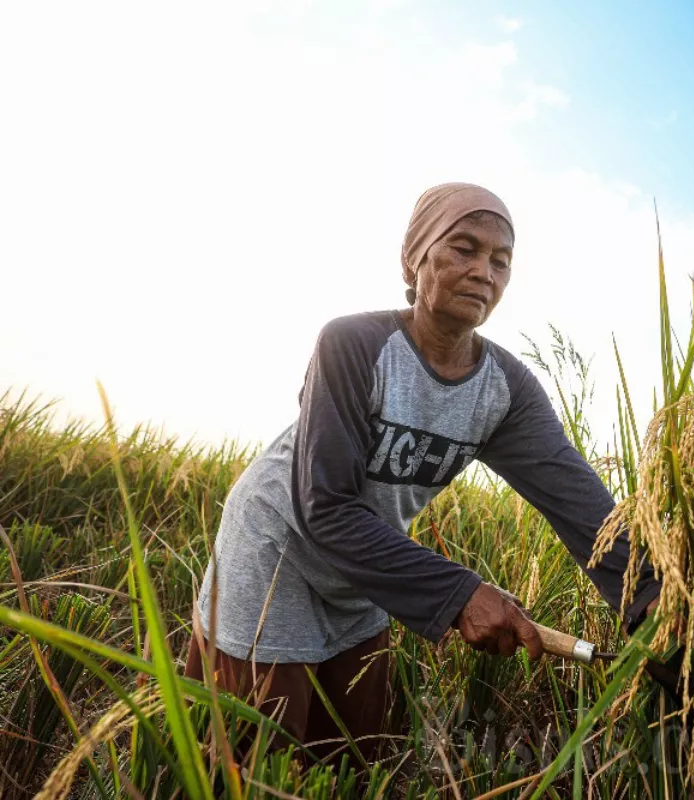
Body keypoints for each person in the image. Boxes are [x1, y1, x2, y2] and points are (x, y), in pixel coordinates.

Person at [183, 182, 660, 764]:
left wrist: (653, 604)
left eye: (501, 261)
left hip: (368, 563)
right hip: (275, 546)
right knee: (262, 756)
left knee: (355, 753)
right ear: (415, 256)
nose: (484, 271)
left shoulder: (504, 390)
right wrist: (461, 595)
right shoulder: (354, 344)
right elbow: (325, 505)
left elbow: (581, 506)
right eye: (464, 248)